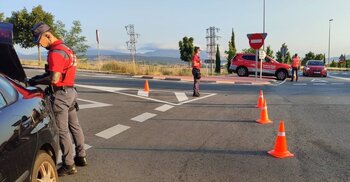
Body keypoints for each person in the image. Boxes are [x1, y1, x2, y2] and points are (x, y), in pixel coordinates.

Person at [29, 22, 87, 176]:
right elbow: (58, 73)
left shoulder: (55, 52)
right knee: (75, 125)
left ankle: (69, 164)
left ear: (48, 35)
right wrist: (38, 77)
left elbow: (54, 78)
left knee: (62, 131)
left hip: (60, 95)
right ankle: (81, 156)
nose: (39, 45)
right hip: (71, 92)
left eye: (39, 41)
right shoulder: (66, 49)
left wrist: (35, 81)